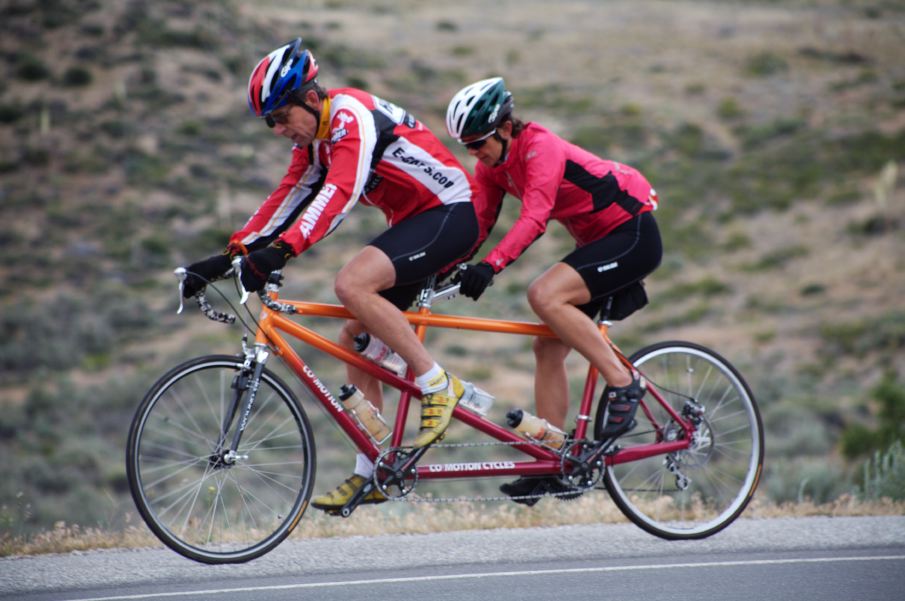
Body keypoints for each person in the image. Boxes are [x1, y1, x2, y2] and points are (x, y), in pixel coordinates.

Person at [182, 38, 479, 512]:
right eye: (269, 122)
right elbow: (290, 194)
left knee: (352, 284)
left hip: (452, 214)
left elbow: (340, 193)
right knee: (356, 338)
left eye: (281, 117)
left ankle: (438, 385)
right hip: (415, 225)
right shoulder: (314, 139)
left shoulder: (349, 117)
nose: (278, 130)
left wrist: (281, 251)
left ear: (312, 99)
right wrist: (229, 254)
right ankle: (375, 469)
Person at [446, 77, 662, 504]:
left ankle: (623, 381)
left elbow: (536, 218)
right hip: (597, 243)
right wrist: (451, 267)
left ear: (506, 127)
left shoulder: (540, 146)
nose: (475, 153)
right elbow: (481, 221)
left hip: (632, 232)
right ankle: (556, 458)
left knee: (545, 295)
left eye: (479, 142)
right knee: (548, 349)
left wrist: (491, 267)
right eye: (467, 146)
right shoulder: (491, 166)